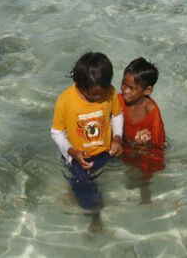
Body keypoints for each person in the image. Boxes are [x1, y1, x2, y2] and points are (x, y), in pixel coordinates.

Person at [50, 52, 123, 223]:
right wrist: (71, 151)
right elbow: (56, 132)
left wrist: (117, 138)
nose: (100, 97)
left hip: (106, 151)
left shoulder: (110, 92)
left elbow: (117, 115)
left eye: (103, 92)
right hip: (78, 157)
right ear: (79, 85)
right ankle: (95, 216)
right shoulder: (65, 100)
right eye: (95, 94)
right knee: (83, 186)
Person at [118, 58, 166, 202]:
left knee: (145, 171)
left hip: (144, 149)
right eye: (123, 84)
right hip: (125, 144)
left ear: (147, 90)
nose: (125, 90)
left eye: (131, 88)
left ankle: (145, 190)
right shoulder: (118, 101)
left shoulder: (152, 113)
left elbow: (158, 144)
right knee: (128, 175)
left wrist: (146, 146)